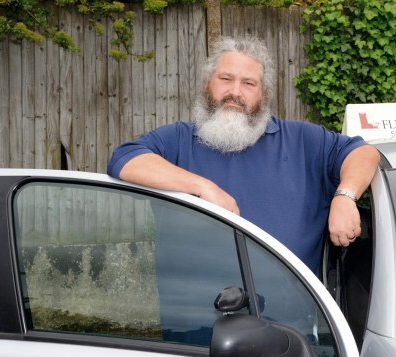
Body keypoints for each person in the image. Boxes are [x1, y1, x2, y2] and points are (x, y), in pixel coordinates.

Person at [107, 35, 379, 277]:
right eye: (226, 79)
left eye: (248, 83)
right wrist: (203, 187)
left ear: (264, 94)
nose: (235, 92)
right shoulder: (179, 139)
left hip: (292, 327)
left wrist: (345, 196)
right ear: (207, 84)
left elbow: (363, 152)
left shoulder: (302, 140)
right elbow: (124, 158)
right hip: (191, 323)